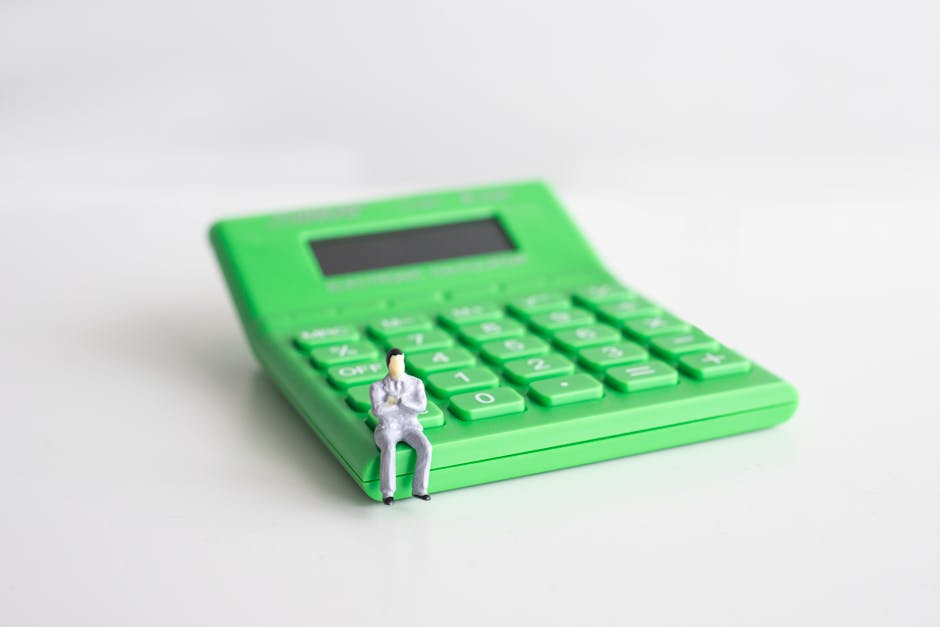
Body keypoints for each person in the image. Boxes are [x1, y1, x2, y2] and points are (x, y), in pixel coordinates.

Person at [369, 348, 432, 505]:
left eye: (401, 362)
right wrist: (397, 403)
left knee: (426, 447)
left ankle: (420, 489)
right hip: (387, 427)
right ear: (388, 365)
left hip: (410, 425)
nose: (398, 366)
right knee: (389, 447)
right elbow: (378, 410)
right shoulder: (377, 387)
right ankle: (388, 493)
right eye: (394, 363)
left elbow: (421, 406)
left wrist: (398, 402)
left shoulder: (416, 383)